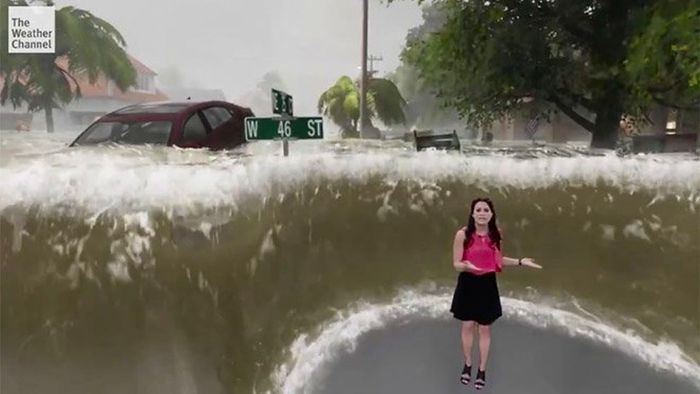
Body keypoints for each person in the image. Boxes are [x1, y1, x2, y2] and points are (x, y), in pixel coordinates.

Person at [450, 197, 542, 390]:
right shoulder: (463, 234)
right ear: (473, 213)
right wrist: (465, 266)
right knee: (467, 325)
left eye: (486, 210)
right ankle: (468, 364)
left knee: (484, 328)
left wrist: (519, 262)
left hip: (487, 284)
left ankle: (482, 369)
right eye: (478, 210)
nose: (482, 213)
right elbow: (456, 264)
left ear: (491, 214)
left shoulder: (495, 235)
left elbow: (497, 261)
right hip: (468, 282)